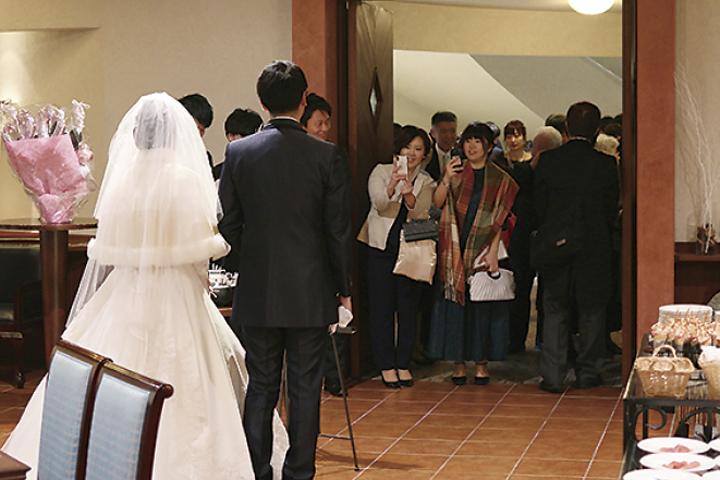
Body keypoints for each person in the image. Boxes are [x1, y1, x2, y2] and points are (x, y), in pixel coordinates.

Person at [1, 92, 288, 479]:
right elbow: (203, 247)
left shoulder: (124, 183)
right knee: (197, 378)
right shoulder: (187, 179)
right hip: (179, 293)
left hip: (126, 291)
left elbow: (111, 248)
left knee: (103, 370)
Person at [218, 60, 353, 480]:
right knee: (306, 387)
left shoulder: (239, 152)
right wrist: (343, 287)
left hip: (257, 288)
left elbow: (227, 223)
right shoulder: (326, 155)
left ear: (261, 102)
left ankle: (257, 471)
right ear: (303, 100)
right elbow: (338, 231)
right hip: (311, 290)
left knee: (260, 385)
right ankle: (300, 472)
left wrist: (253, 257)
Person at [534, 101, 620, 393]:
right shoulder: (606, 165)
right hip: (594, 248)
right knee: (592, 311)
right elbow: (611, 210)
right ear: (597, 131)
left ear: (567, 129)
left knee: (555, 309)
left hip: (557, 247)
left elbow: (538, 207)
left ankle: (553, 376)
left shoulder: (549, 161)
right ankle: (589, 373)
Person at [428, 122, 518, 385]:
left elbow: (501, 219)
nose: (471, 146)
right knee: (456, 307)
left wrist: (492, 253)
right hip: (454, 246)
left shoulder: (501, 179)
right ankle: (458, 364)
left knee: (482, 307)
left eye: (477, 141)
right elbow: (437, 202)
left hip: (484, 248)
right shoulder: (455, 173)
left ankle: (481, 363)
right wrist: (445, 178)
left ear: (489, 146)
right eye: (468, 140)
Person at [357, 125, 435, 388]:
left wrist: (410, 194)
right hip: (380, 249)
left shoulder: (426, 180)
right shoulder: (380, 171)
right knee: (381, 309)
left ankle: (403, 363)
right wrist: (392, 185)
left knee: (408, 309)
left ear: (425, 154)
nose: (411, 153)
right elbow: (378, 204)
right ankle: (385, 365)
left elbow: (423, 213)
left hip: (410, 252)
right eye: (407, 147)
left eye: (418, 149)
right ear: (398, 148)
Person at [178, 93, 220, 179]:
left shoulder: (204, 156)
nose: (200, 135)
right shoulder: (160, 153)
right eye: (196, 128)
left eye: (203, 130)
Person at [424, 111, 457, 181]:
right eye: (444, 131)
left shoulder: (462, 156)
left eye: (453, 131)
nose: (449, 136)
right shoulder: (426, 157)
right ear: (433, 133)